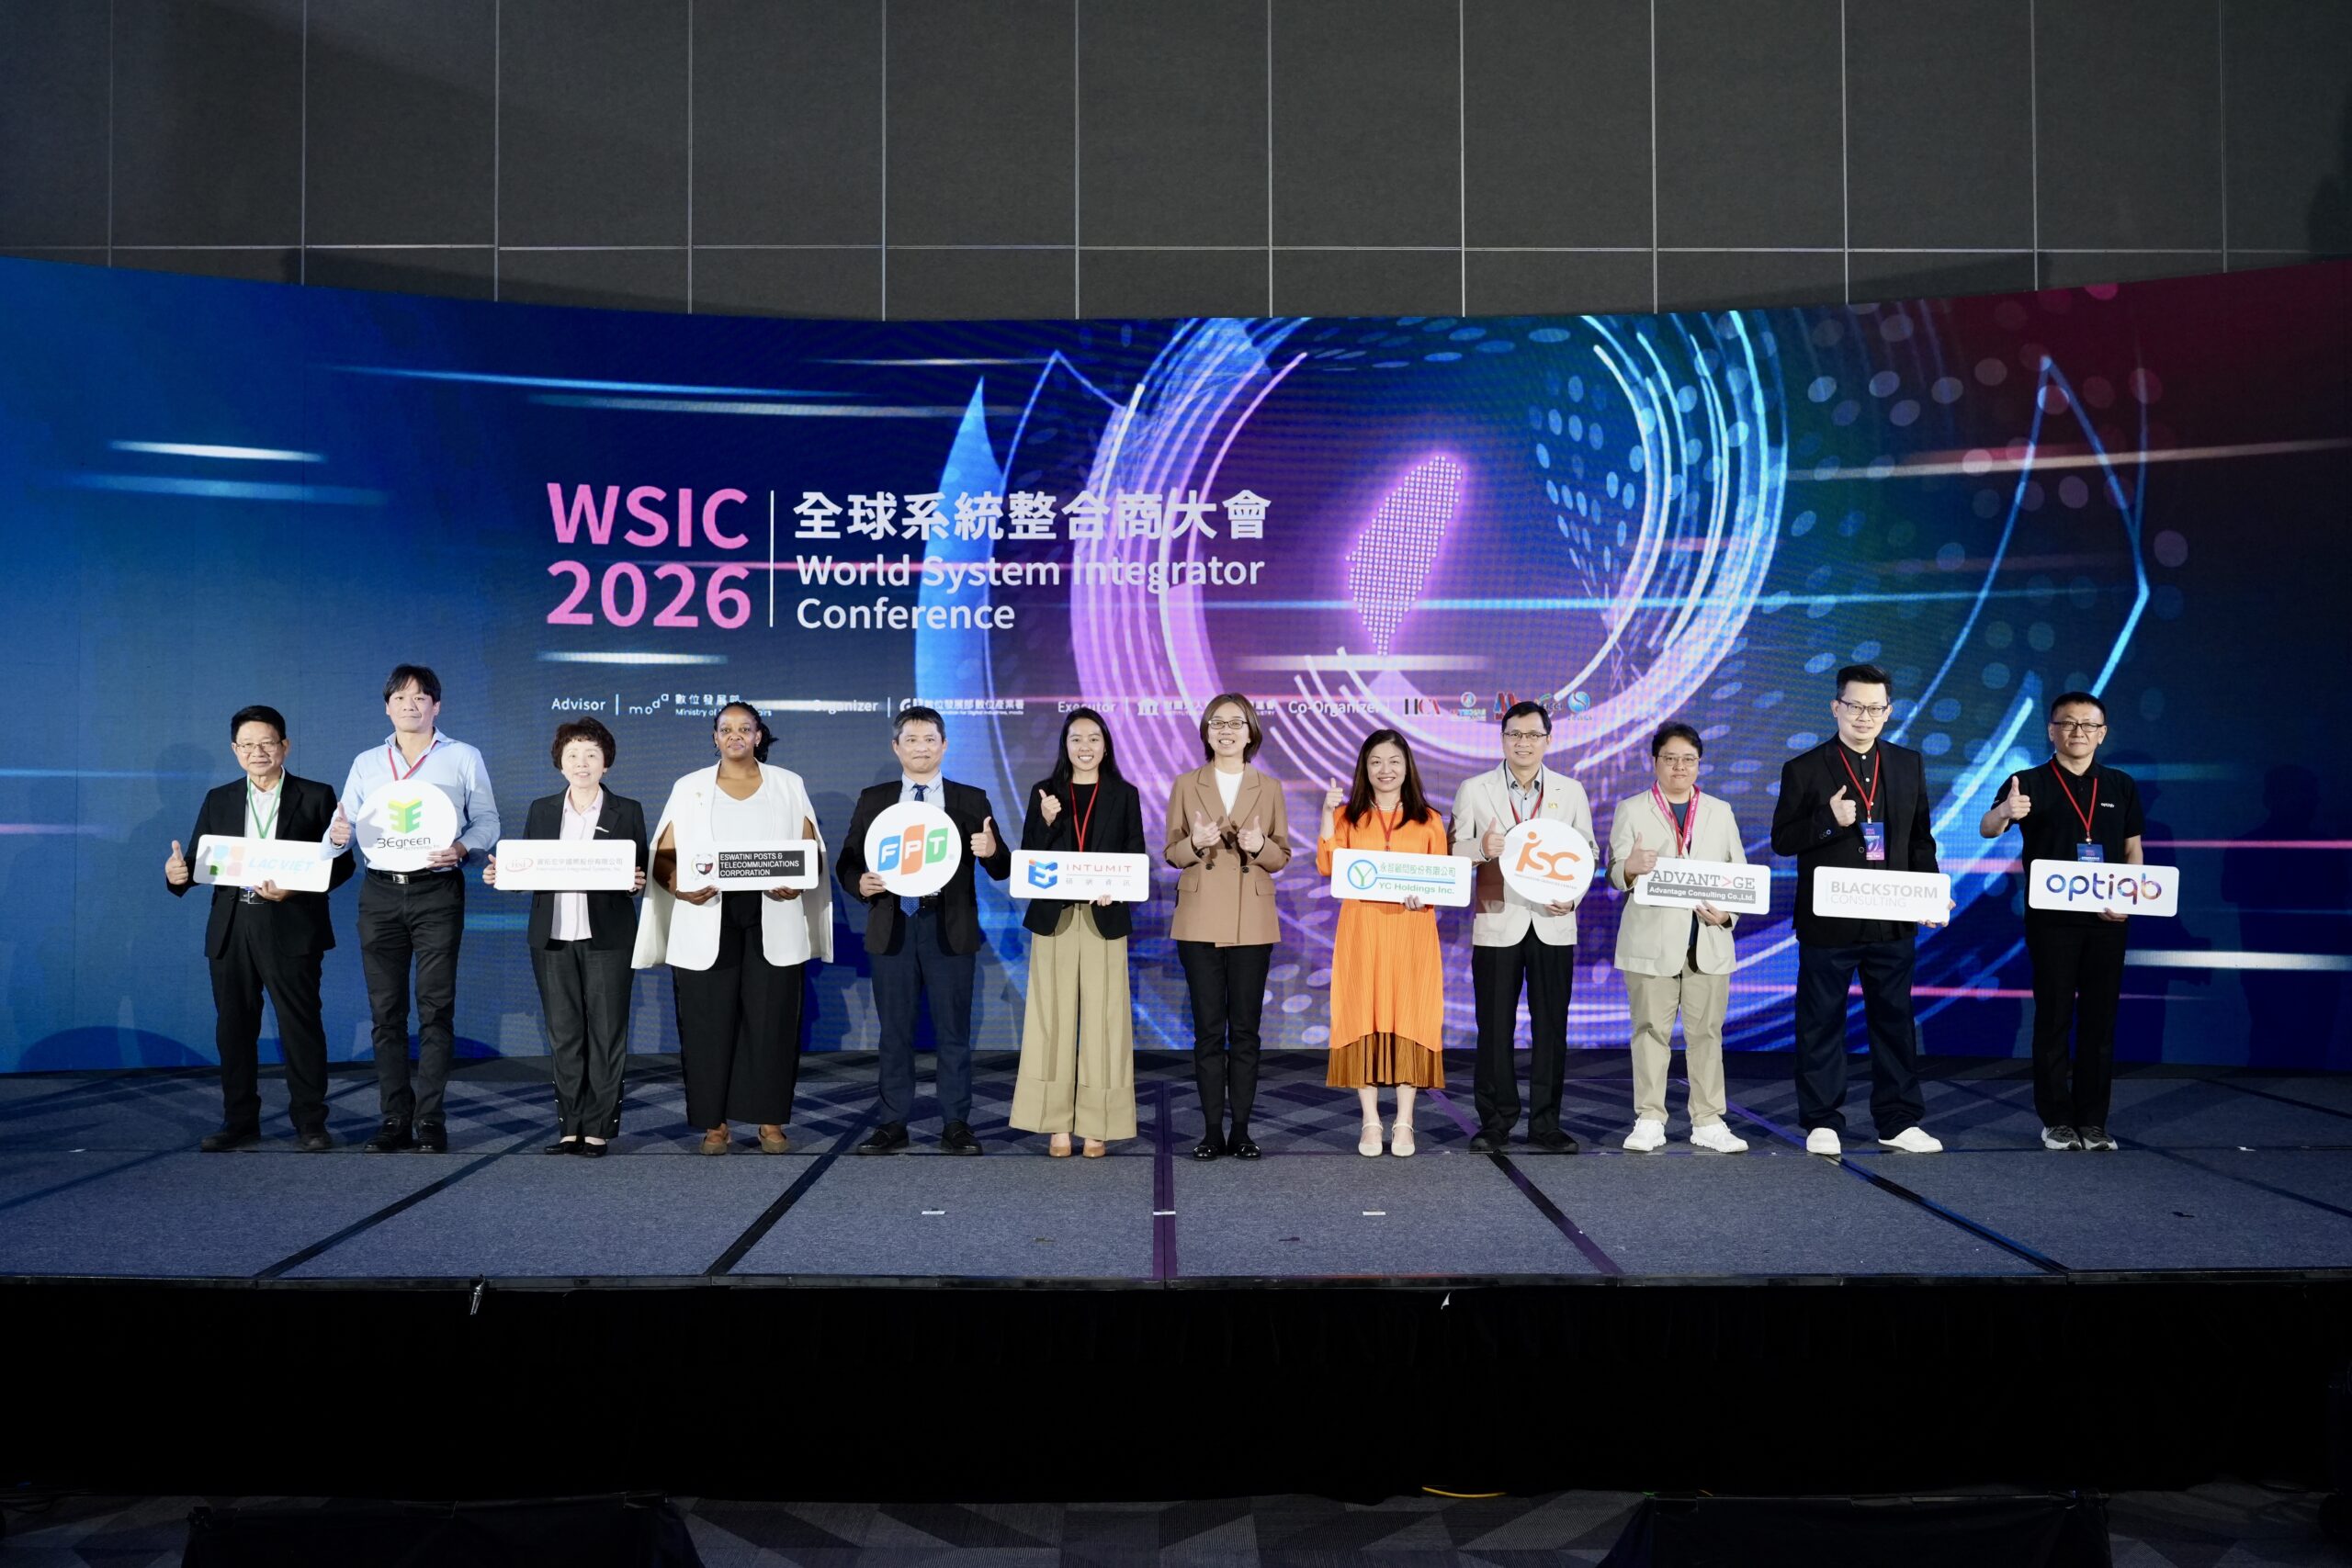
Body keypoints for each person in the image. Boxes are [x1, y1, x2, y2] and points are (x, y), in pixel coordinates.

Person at [634, 703, 831, 1154]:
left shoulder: (788, 783)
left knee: (772, 1021)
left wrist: (799, 883)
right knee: (707, 1022)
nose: (735, 735)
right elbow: (664, 853)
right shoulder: (689, 787)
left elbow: (810, 850)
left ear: (759, 736)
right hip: (707, 912)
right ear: (715, 737)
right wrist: (678, 887)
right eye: (726, 729)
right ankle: (714, 1124)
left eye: (745, 728)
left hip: (773, 912)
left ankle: (770, 1121)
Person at [1770, 662, 1948, 1156]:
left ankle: (1898, 1120)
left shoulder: (1908, 764)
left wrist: (1930, 892)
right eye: (1854, 706)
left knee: (1894, 1021)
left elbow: (1920, 840)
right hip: (1829, 922)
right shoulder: (1804, 768)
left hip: (1892, 919)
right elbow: (1783, 840)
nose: (1864, 716)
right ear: (1836, 707)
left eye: (1875, 708)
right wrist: (1828, 820)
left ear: (1888, 712)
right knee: (1821, 1022)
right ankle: (1822, 1120)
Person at [164, 705, 354, 1152]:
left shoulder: (316, 795)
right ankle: (239, 1121)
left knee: (299, 1026)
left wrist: (294, 888)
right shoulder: (220, 798)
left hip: (291, 924)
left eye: (267, 743)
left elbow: (342, 866)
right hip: (231, 927)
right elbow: (199, 862)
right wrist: (177, 875)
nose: (257, 752)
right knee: (233, 1029)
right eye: (247, 745)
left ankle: (311, 1122)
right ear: (235, 750)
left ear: (285, 745)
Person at [329, 664, 500, 1154]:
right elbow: (341, 830)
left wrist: (462, 848)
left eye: (421, 697)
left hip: (437, 891)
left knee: (435, 1008)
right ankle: (393, 1118)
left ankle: (430, 1119)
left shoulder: (463, 756)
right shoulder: (367, 762)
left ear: (436, 706)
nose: (411, 705)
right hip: (380, 893)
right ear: (387, 707)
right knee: (385, 1011)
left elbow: (488, 821)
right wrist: (336, 837)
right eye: (400, 697)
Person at [837, 706, 1010, 1155]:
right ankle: (893, 1123)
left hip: (948, 928)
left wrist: (992, 849)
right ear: (896, 747)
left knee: (954, 1032)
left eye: (930, 739)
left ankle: (956, 1123)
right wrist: (859, 883)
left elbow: (1002, 867)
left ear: (944, 746)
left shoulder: (970, 799)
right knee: (894, 1032)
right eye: (911, 740)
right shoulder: (874, 800)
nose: (921, 748)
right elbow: (847, 861)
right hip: (892, 926)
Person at [1978, 691, 2145, 1152]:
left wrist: (2127, 897)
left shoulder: (2120, 785)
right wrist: (2004, 812)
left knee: (2100, 1021)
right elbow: (1988, 828)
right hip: (2052, 922)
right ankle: (2056, 1120)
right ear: (2052, 730)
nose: (2078, 732)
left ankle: (2093, 1121)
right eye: (2068, 723)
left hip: (2107, 919)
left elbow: (2132, 849)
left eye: (2088, 725)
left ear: (2102, 734)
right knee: (2053, 1018)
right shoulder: (2028, 781)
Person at [483, 717, 648, 1157]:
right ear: (560, 763)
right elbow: (526, 871)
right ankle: (570, 1126)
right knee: (563, 1034)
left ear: (606, 763)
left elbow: (641, 872)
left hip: (608, 937)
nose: (582, 763)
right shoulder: (542, 809)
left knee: (607, 1034)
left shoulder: (627, 810)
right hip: (552, 938)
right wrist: (502, 876)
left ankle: (599, 1128)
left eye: (592, 754)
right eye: (572, 754)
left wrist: (637, 882)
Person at [1448, 699, 1596, 1154]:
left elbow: (1588, 852)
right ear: (1502, 739)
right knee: (1494, 1026)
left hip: (1553, 921)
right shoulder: (1475, 789)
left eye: (1533, 735)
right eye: (1515, 734)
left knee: (1551, 1027)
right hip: (1498, 919)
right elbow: (1452, 852)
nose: (1523, 743)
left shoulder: (1571, 791)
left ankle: (1546, 1124)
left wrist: (1573, 896)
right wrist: (1482, 847)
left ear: (1548, 740)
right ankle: (1495, 1121)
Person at [1607, 722, 1749, 1155]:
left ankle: (1708, 1120)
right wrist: (1629, 867)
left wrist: (1729, 914)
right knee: (1650, 1031)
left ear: (1699, 764)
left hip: (1707, 939)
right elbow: (1615, 873)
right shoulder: (1632, 809)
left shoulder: (1720, 811)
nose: (1679, 767)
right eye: (1670, 759)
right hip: (1650, 942)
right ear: (1655, 762)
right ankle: (1650, 1118)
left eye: (1688, 760)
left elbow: (1740, 875)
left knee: (1707, 1033)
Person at [1010, 708, 1145, 1157]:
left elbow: (1135, 855)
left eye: (1093, 739)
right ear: (1064, 746)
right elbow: (1029, 858)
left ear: (1105, 746)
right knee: (1049, 1020)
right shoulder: (1045, 792)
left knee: (1106, 1022)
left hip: (1104, 918)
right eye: (1076, 739)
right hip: (1055, 918)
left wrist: (1117, 888)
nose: (1085, 747)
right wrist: (1047, 821)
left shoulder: (1124, 794)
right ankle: (1055, 1125)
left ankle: (1098, 1125)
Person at [1164, 693, 1292, 1160]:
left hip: (1252, 921)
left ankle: (1241, 1129)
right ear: (1206, 731)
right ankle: (1211, 1131)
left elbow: (1282, 856)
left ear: (1251, 731)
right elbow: (1171, 852)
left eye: (1236, 723)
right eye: (1217, 723)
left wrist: (1259, 847)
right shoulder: (1186, 784)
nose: (1226, 731)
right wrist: (1196, 844)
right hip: (1199, 919)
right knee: (1207, 1031)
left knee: (1246, 1032)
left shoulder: (1269, 787)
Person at [1317, 729, 1452, 1157]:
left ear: (1407, 766)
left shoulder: (1429, 819)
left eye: (1394, 761)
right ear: (1365, 768)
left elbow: (1442, 880)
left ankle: (1405, 1121)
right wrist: (1327, 813)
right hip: (1362, 932)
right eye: (1376, 761)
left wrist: (1425, 895)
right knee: (1363, 1014)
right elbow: (1328, 865)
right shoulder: (1348, 816)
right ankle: (1371, 1121)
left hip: (1412, 934)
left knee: (1411, 1017)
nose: (1385, 770)